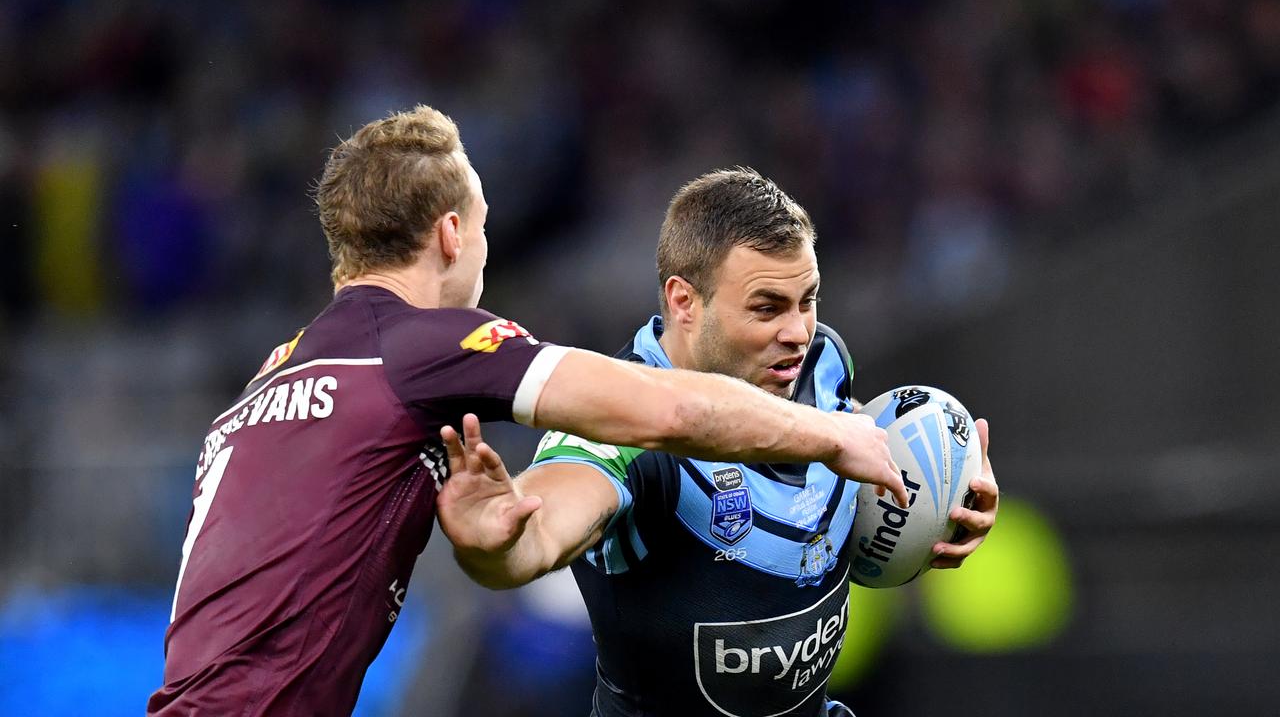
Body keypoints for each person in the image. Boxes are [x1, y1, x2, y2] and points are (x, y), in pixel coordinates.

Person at [147, 109, 909, 715]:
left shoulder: (271, 380)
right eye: (483, 219)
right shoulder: (420, 343)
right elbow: (658, 406)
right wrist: (839, 437)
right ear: (452, 232)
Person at [439, 168, 1000, 717]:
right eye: (767, 308)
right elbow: (542, 529)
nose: (797, 331)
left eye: (808, 300)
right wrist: (497, 544)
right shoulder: (617, 431)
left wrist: (943, 501)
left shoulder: (822, 364)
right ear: (683, 302)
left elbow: (848, 469)